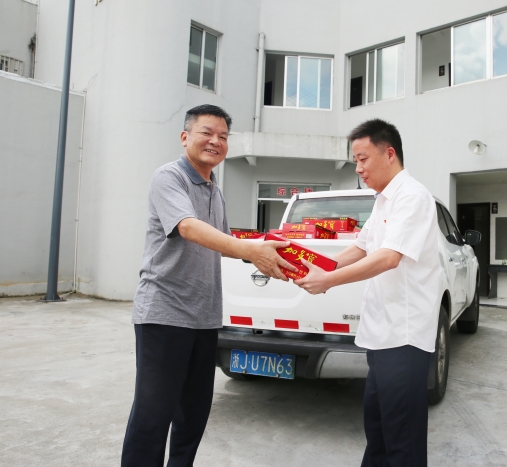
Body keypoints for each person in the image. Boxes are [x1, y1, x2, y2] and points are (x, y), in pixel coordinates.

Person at [121, 104, 296, 467]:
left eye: (223, 136)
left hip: (205, 316)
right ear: (185, 137)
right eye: (207, 133)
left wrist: (272, 252)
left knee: (194, 413)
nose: (215, 141)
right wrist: (250, 250)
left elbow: (225, 242)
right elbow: (188, 227)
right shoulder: (169, 177)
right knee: (154, 414)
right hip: (165, 314)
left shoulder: (215, 189)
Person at [296, 119, 441, 467]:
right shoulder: (382, 200)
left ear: (389, 154)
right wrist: (310, 264)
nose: (358, 168)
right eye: (355, 161)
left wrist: (328, 281)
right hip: (380, 334)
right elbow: (361, 247)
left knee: (401, 438)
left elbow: (389, 257)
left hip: (404, 337)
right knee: (377, 428)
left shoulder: (412, 197)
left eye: (363, 159)